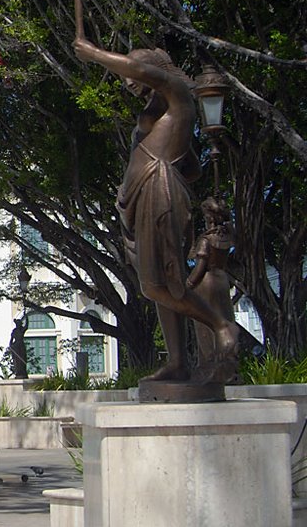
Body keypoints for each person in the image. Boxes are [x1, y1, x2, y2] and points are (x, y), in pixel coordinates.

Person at [73, 36, 239, 383]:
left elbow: (137, 69)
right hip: (141, 196)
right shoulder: (161, 115)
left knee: (158, 285)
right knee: (163, 282)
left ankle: (221, 326)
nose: (129, 82)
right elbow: (192, 168)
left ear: (153, 67)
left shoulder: (178, 95)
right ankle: (178, 362)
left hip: (156, 193)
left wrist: (94, 54)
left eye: (133, 75)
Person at [187, 196, 240, 381]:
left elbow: (200, 268)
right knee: (225, 317)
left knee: (206, 323)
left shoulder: (206, 240)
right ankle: (229, 363)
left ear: (209, 217)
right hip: (222, 280)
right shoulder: (227, 236)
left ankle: (210, 362)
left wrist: (188, 285)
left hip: (206, 283)